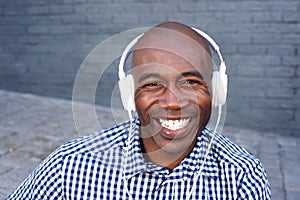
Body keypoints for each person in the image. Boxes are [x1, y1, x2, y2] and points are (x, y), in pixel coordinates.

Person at [8, 22, 271, 199]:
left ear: (217, 90)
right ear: (129, 95)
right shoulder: (68, 168)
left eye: (191, 82)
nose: (173, 102)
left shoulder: (241, 177)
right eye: (153, 84)